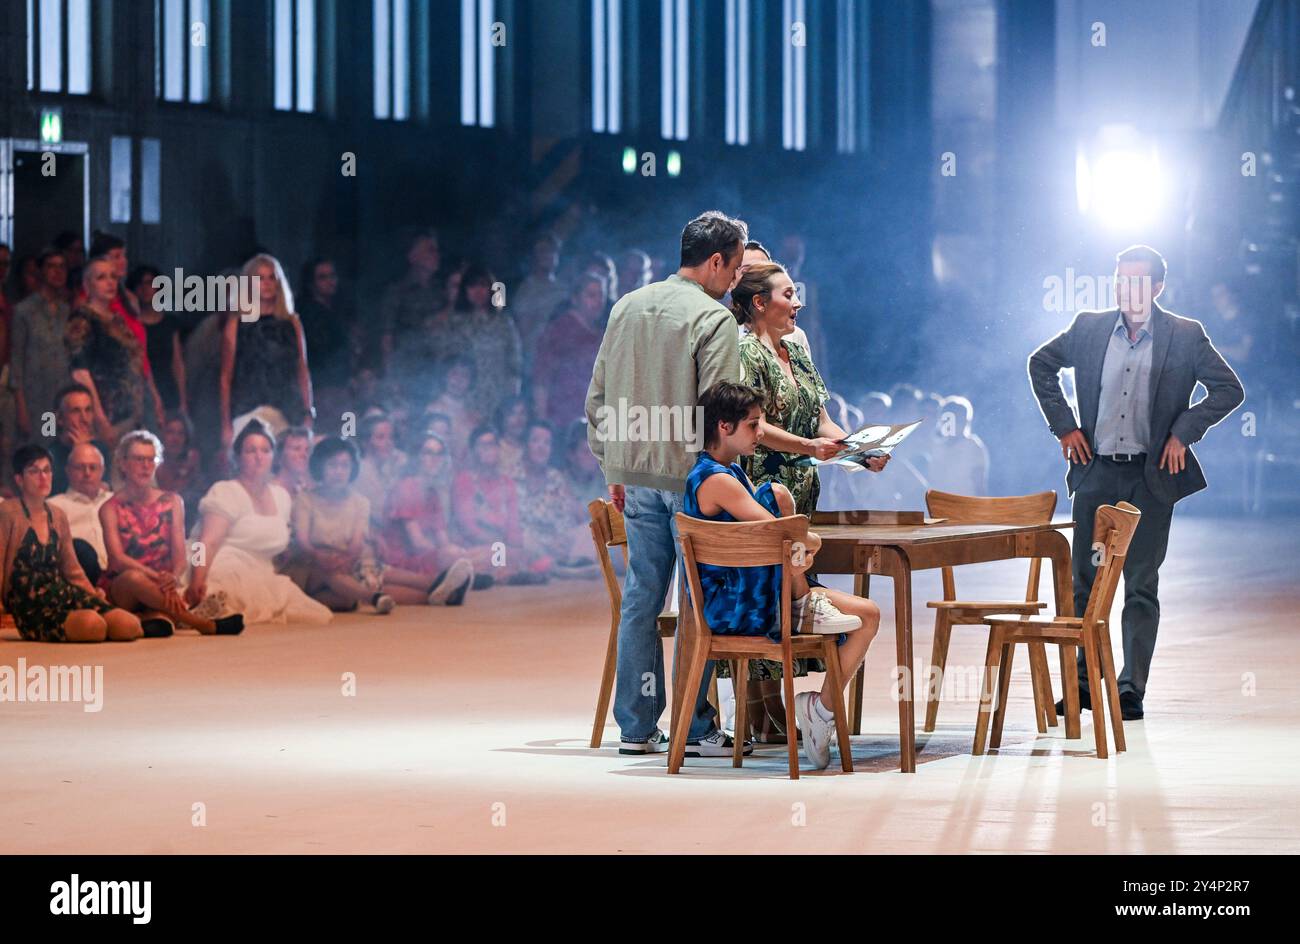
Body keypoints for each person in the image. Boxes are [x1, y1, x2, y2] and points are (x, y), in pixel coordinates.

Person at [1028, 245, 1245, 720]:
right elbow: (1040, 365)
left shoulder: (1185, 335)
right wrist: (1064, 425)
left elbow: (1229, 389)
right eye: (1121, 279)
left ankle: (1130, 689)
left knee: (1140, 584)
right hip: (1097, 471)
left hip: (1150, 478)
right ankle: (1083, 684)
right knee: (1084, 582)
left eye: (1138, 281)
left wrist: (1183, 433)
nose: (1127, 289)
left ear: (1158, 287)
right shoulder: (1088, 327)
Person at [584, 209, 749, 756]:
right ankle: (696, 727)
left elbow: (599, 398)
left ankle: (634, 728)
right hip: (691, 481)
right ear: (717, 260)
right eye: (735, 269)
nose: (735, 282)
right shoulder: (713, 319)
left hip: (633, 477)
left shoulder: (626, 306)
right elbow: (723, 414)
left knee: (642, 598)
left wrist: (613, 466)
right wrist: (725, 482)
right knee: (698, 602)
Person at [731, 261, 890, 740]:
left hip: (800, 496)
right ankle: (766, 720)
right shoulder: (745, 351)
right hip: (763, 493)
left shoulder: (794, 351)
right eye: (787, 294)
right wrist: (808, 449)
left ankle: (787, 719)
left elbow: (820, 419)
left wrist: (857, 451)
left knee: (795, 592)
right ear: (760, 303)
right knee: (769, 603)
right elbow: (752, 427)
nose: (797, 303)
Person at [686, 381, 880, 768]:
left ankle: (820, 711)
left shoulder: (731, 473)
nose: (761, 434)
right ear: (724, 427)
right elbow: (783, 532)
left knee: (868, 615)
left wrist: (801, 545)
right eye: (753, 425)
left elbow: (786, 537)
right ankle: (803, 601)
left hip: (760, 594)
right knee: (776, 494)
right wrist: (810, 542)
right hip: (736, 607)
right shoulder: (715, 480)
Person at [292, 436, 474, 612]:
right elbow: (303, 542)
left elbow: (356, 543)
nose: (339, 472)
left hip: (349, 563)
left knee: (366, 580)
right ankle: (379, 596)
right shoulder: (306, 499)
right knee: (339, 572)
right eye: (332, 465)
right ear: (320, 466)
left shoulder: (360, 502)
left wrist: (347, 558)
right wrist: (321, 557)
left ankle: (444, 593)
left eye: (344, 466)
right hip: (312, 567)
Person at [185, 420, 333, 626]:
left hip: (261, 572)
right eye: (250, 451)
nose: (258, 457)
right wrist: (197, 579)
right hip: (219, 563)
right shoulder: (226, 491)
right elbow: (205, 543)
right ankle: (198, 610)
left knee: (315, 615)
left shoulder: (281, 496)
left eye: (265, 450)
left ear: (273, 457)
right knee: (230, 594)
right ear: (238, 457)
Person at [101, 430, 243, 636]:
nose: (146, 465)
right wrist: (157, 578)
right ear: (123, 464)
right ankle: (202, 624)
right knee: (134, 578)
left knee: (161, 623)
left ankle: (151, 619)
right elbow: (117, 559)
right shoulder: (110, 508)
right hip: (124, 586)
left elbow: (179, 557)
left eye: (151, 459)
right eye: (139, 459)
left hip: (163, 586)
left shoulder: (173, 501)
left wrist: (173, 578)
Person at [0, 444, 142, 643]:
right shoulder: (8, 512)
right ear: (19, 479)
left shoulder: (57, 515)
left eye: (47, 470)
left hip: (61, 592)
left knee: (128, 625)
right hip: (31, 605)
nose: (43, 477)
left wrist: (93, 595)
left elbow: (72, 569)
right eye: (34, 471)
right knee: (93, 626)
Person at [219, 254, 314, 451]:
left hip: (288, 410)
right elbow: (225, 377)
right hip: (247, 408)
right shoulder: (237, 322)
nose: (267, 284)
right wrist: (225, 424)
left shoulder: (291, 322)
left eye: (272, 278)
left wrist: (308, 412)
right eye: (260, 278)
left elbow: (302, 370)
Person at [66, 258, 162, 444]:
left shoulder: (118, 319)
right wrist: (100, 419)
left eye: (113, 277)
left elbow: (137, 362)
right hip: (108, 415)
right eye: (101, 278)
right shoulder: (82, 320)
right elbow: (80, 373)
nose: (110, 282)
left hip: (133, 412)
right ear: (87, 285)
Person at [451, 426, 551, 585]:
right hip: (476, 548)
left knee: (534, 554)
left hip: (504, 548)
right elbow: (469, 529)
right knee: (491, 556)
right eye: (483, 445)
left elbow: (514, 526)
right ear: (473, 450)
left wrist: (514, 545)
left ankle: (508, 571)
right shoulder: (464, 481)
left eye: (492, 444)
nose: (489, 449)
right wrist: (502, 545)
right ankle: (506, 573)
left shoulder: (507, 483)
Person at [513, 420, 598, 577]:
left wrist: (561, 539)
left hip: (557, 543)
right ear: (525, 446)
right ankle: (561, 568)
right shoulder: (512, 477)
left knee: (590, 528)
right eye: (535, 441)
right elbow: (516, 524)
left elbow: (564, 516)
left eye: (547, 443)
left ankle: (569, 565)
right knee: (524, 539)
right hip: (532, 543)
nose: (541, 447)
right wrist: (547, 542)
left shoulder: (556, 478)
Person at [446, 263, 522, 427]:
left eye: (483, 285)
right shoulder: (456, 322)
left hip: (499, 393)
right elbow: (449, 360)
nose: (478, 291)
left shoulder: (504, 322)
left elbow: (514, 362)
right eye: (472, 286)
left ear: (491, 288)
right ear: (465, 290)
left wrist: (512, 397)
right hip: (468, 396)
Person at [532, 272, 608, 428]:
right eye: (591, 295)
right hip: (562, 418)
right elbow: (542, 379)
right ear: (575, 298)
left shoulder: (601, 334)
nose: (598, 301)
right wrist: (543, 420)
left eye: (601, 295)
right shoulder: (559, 331)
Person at [11, 249, 72, 440]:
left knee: (59, 447)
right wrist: (21, 409)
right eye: (51, 266)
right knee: (38, 448)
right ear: (41, 271)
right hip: (35, 396)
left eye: (62, 267)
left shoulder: (67, 311)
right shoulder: (24, 311)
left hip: (62, 394)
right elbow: (16, 361)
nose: (57, 272)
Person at [47, 441, 112, 586]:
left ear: (102, 471)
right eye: (80, 467)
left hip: (118, 577)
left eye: (93, 467)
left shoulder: (114, 501)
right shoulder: (53, 506)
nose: (87, 473)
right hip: (78, 580)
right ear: (68, 470)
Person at [379, 228, 445, 366]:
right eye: (430, 250)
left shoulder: (442, 289)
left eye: (437, 250)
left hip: (440, 367)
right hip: (409, 366)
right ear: (412, 256)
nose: (437, 255)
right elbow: (387, 337)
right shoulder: (397, 291)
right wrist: (391, 374)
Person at [130, 264, 187, 414]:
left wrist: (183, 400)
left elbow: (177, 362)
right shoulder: (130, 325)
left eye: (150, 283)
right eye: (140, 284)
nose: (145, 288)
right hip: (142, 393)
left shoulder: (170, 322)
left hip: (169, 389)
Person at [511, 233, 568, 374]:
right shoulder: (526, 288)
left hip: (559, 357)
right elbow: (522, 328)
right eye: (543, 251)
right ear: (534, 256)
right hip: (532, 356)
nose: (547, 256)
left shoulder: (564, 289)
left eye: (552, 251)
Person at [297, 257, 354, 392]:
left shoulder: (337, 310)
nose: (330, 281)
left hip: (339, 384)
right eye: (322, 277)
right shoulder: (308, 314)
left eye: (332, 276)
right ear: (311, 283)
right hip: (322, 387)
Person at [45, 383, 113, 496]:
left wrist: (84, 449)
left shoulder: (101, 450)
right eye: (76, 411)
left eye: (88, 410)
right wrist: (78, 452)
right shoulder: (49, 455)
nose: (84, 419)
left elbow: (103, 493)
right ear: (60, 418)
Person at [354, 412, 409, 530]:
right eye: (380, 437)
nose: (389, 443)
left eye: (391, 437)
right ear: (365, 443)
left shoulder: (390, 466)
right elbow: (383, 516)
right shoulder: (360, 472)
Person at [156, 410, 204, 513]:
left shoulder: (192, 459)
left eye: (180, 433)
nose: (175, 438)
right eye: (170, 432)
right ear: (162, 434)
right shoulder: (154, 461)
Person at [274, 426, 313, 498]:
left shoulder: (308, 494)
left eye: (307, 450)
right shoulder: (269, 491)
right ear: (280, 454)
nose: (304, 454)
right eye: (297, 449)